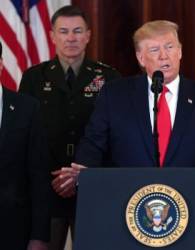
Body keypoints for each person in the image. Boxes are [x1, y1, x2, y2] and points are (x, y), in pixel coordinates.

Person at [52, 20, 195, 199]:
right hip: (127, 199)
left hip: (187, 199)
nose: (164, 56)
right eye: (154, 50)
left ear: (179, 52)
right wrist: (83, 170)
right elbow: (94, 142)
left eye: (169, 47)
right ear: (141, 58)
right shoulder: (115, 95)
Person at [18, 5, 121, 250]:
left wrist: (80, 175)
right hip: (47, 186)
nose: (71, 38)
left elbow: (117, 135)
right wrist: (59, 178)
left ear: (88, 35)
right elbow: (24, 134)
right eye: (64, 31)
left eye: (77, 31)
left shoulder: (109, 77)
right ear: (52, 36)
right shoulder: (34, 77)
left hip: (94, 186)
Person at [0, 41, 50, 249]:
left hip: (13, 231)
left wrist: (39, 236)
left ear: (1, 64)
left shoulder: (27, 108)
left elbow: (38, 174)